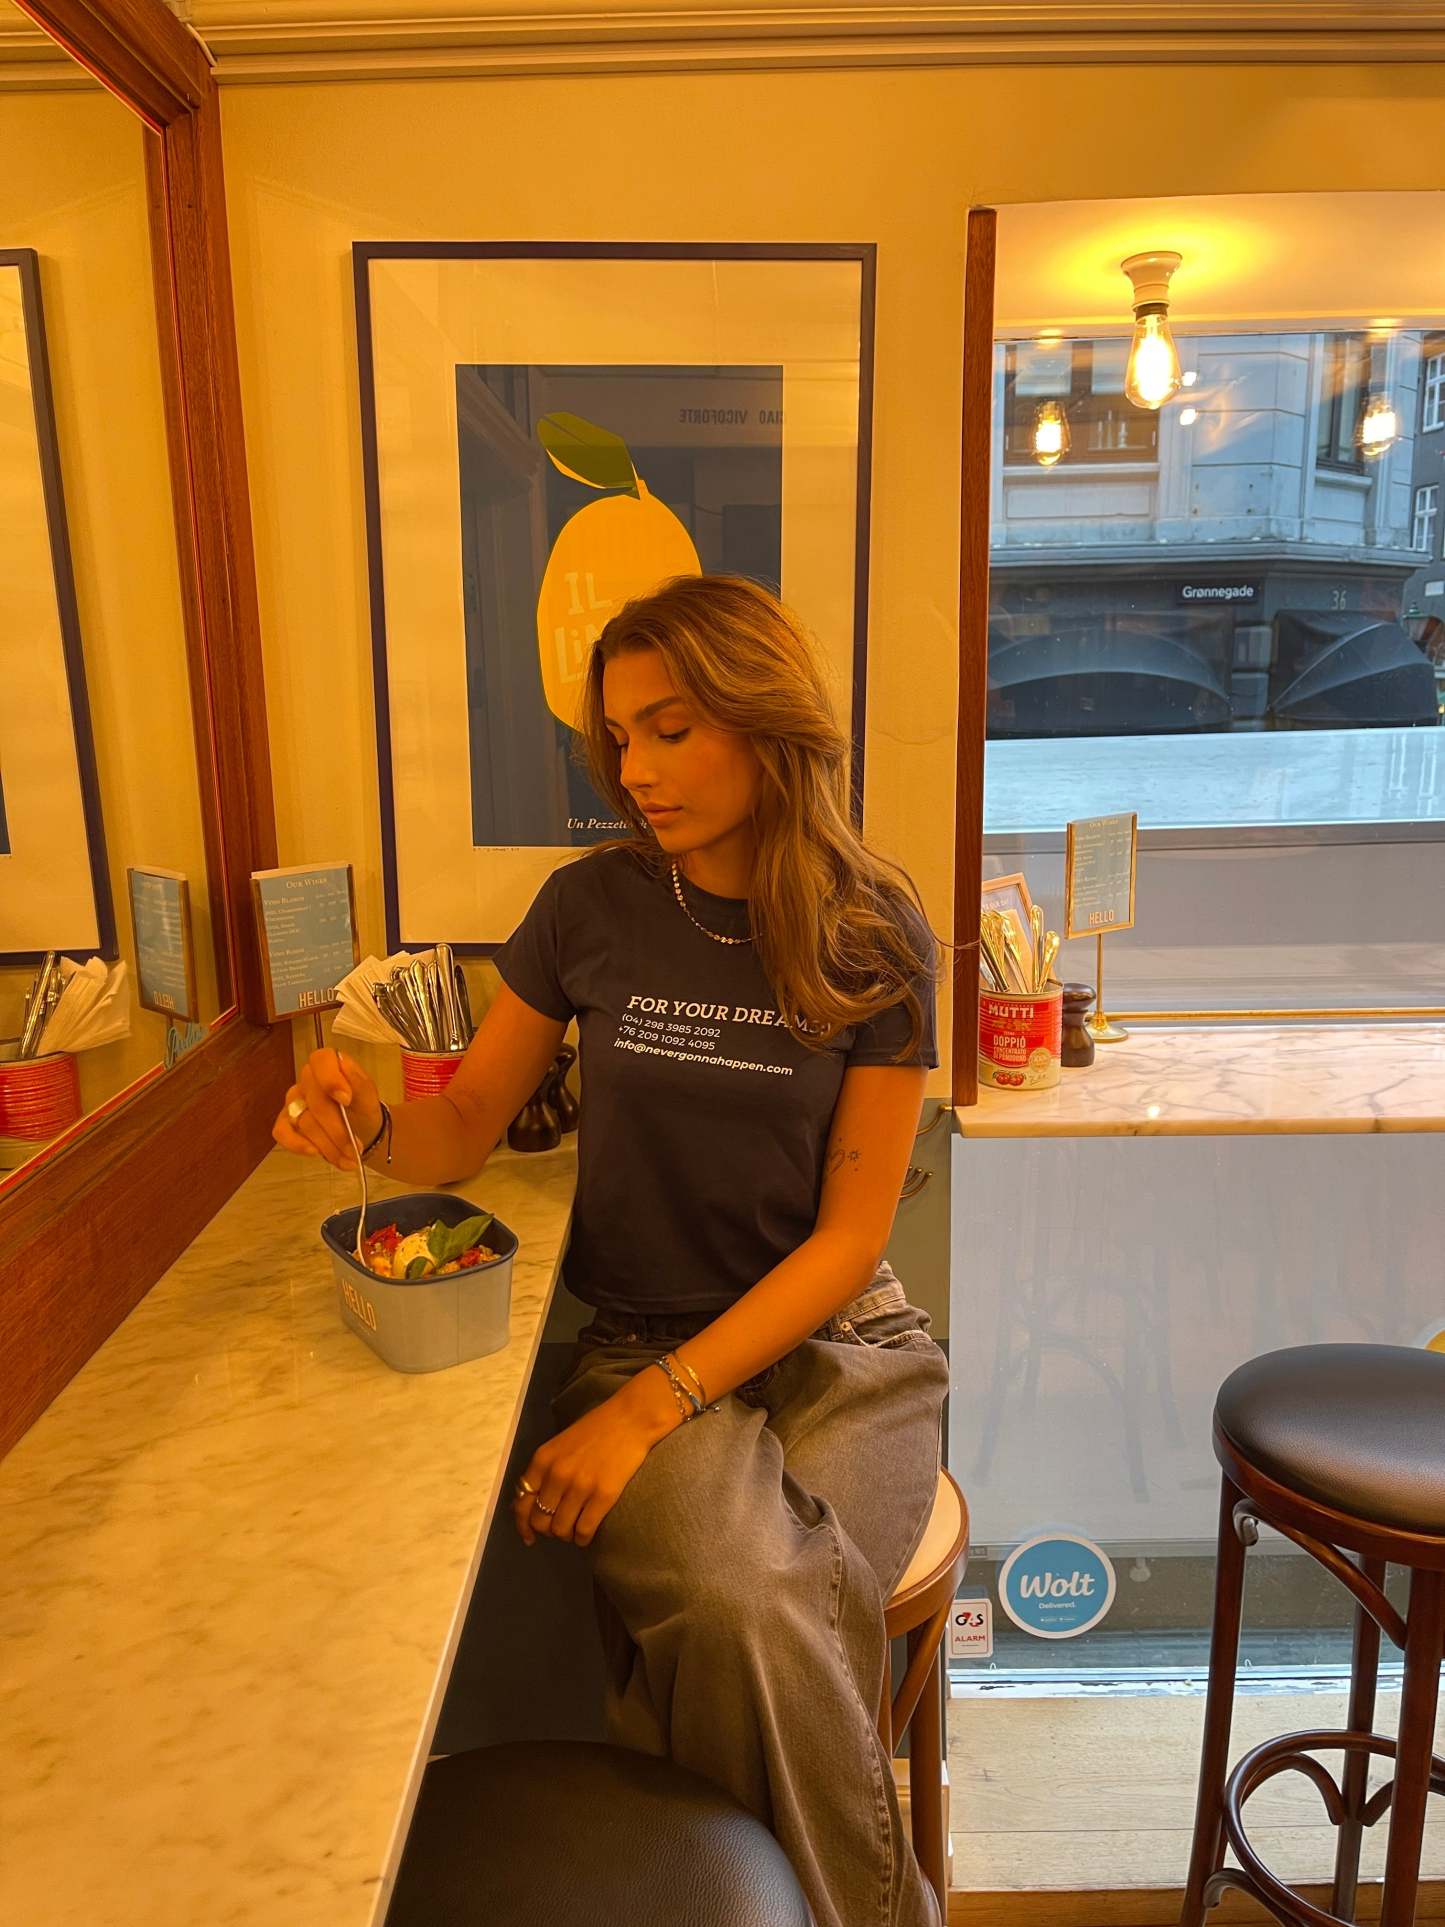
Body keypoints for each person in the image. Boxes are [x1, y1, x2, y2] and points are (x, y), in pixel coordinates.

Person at [275, 573, 951, 1927]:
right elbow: (462, 1125)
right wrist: (366, 1120)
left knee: (745, 1627)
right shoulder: (587, 907)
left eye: (671, 730)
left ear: (765, 721)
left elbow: (849, 1238)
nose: (634, 770)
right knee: (750, 1606)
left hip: (843, 1345)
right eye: (621, 738)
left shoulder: (871, 925)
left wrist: (648, 1412)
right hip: (645, 1330)